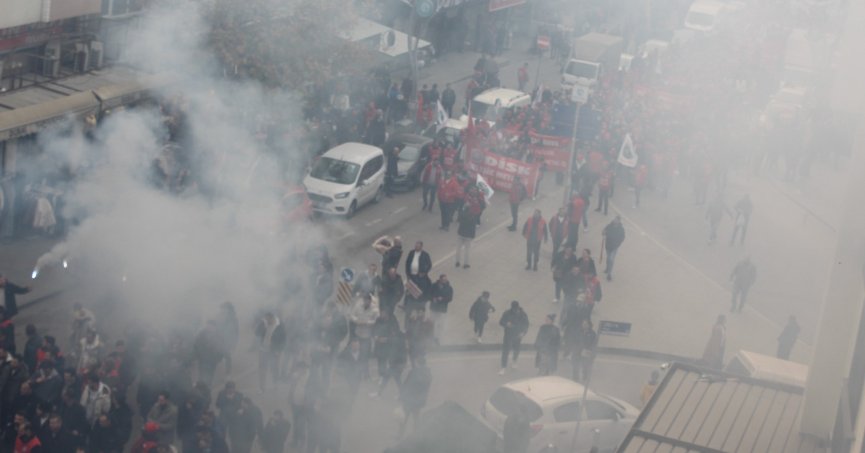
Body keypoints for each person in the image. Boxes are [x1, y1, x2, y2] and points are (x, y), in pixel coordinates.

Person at [399, 356, 431, 437]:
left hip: (410, 399)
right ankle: (416, 435)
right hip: (419, 399)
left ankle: (400, 434)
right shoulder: (428, 373)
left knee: (404, 417)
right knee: (416, 417)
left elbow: (407, 385)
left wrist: (402, 396)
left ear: (417, 363)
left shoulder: (414, 372)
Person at [254, 313, 286, 392]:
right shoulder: (264, 324)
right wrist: (261, 324)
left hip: (273, 351)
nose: (267, 321)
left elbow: (283, 340)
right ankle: (262, 388)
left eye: (268, 319)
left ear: (272, 318)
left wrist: (278, 350)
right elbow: (256, 333)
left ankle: (275, 384)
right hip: (263, 350)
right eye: (266, 319)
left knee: (274, 368)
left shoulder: (280, 326)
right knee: (262, 369)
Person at [499, 301, 529, 375]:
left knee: (516, 349)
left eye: (516, 309)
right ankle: (503, 367)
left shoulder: (523, 314)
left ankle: (514, 361)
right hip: (508, 335)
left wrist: (523, 333)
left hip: (518, 335)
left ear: (518, 307)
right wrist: (506, 324)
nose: (515, 311)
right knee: (505, 351)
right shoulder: (507, 313)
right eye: (514, 309)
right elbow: (501, 322)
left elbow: (526, 324)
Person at [429, 275, 453, 344]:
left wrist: (442, 299)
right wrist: (433, 298)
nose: (444, 281)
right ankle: (432, 336)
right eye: (443, 280)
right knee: (433, 323)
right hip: (434, 307)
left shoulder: (449, 288)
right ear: (440, 279)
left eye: (445, 280)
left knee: (439, 324)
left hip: (442, 309)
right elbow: (429, 294)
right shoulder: (434, 286)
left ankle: (437, 338)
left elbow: (450, 298)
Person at [455, 203, 480, 269]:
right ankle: (466, 264)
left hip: (460, 233)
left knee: (458, 248)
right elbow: (473, 227)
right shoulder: (472, 216)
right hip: (468, 235)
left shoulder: (461, 214)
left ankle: (457, 262)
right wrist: (473, 236)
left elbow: (458, 220)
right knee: (467, 250)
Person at [601, 216, 626, 281]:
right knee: (608, 258)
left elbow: (622, 237)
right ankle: (607, 268)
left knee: (611, 259)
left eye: (617, 220)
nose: (615, 220)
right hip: (608, 246)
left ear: (619, 221)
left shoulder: (621, 229)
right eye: (615, 219)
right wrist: (603, 232)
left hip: (614, 247)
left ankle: (609, 274)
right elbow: (603, 231)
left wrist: (618, 244)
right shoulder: (609, 226)